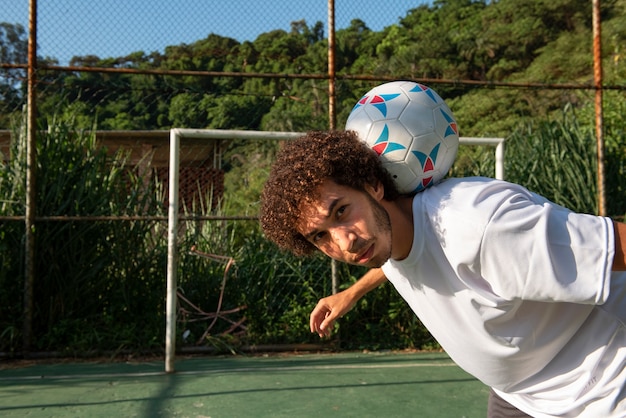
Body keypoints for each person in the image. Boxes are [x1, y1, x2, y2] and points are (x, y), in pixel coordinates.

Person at [260, 130, 626, 418]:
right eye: (320, 235)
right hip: (522, 396)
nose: (346, 243)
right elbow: (409, 260)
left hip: (602, 386)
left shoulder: (481, 226)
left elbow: (616, 247)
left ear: (372, 184)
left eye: (341, 211)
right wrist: (351, 293)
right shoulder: (386, 238)